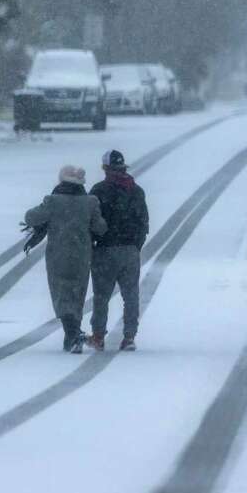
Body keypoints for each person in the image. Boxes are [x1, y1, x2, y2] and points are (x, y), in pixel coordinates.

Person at [24, 165, 107, 353]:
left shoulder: (53, 201)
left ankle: (72, 335)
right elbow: (100, 228)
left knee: (61, 295)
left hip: (58, 256)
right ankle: (73, 334)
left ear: (62, 181)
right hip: (82, 256)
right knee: (77, 295)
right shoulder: (90, 202)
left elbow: (31, 217)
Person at [87, 149, 149, 352]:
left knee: (101, 297)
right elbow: (143, 223)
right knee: (131, 296)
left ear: (105, 168)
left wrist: (95, 243)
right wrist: (135, 246)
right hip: (130, 251)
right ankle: (129, 336)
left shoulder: (98, 191)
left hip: (105, 250)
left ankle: (98, 337)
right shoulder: (136, 191)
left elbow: (91, 222)